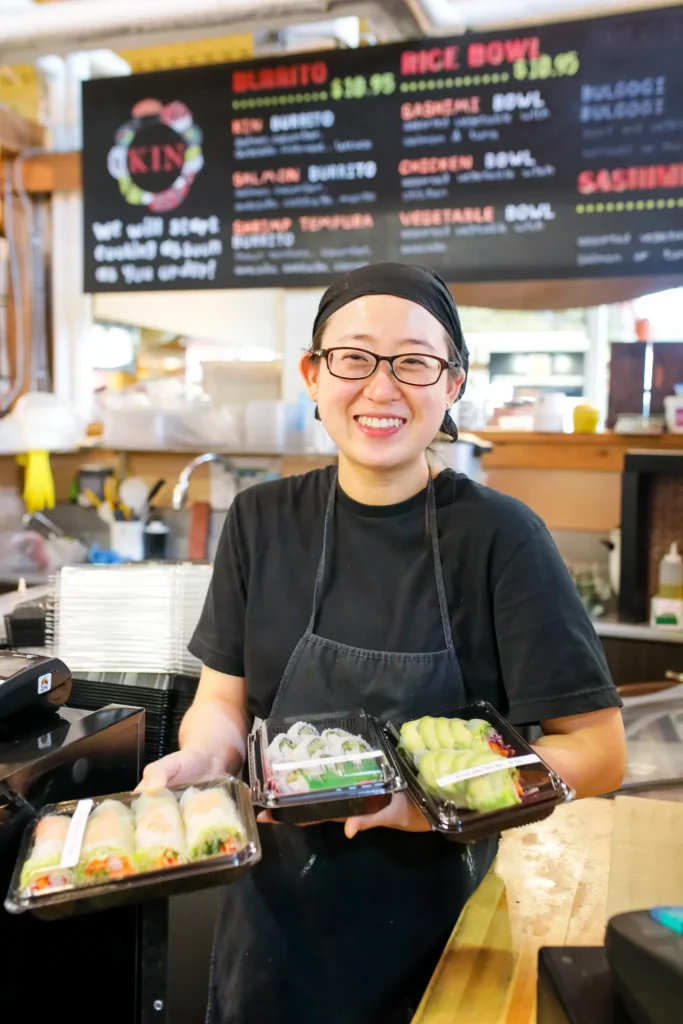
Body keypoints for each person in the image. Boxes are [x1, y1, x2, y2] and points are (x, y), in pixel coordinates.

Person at [140, 263, 626, 1024]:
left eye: (414, 362)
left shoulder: (502, 537)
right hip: (274, 937)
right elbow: (223, 701)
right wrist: (205, 759)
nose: (380, 386)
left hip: (446, 936)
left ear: (453, 383)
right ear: (314, 373)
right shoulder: (260, 520)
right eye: (354, 357)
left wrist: (424, 805)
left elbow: (597, 752)